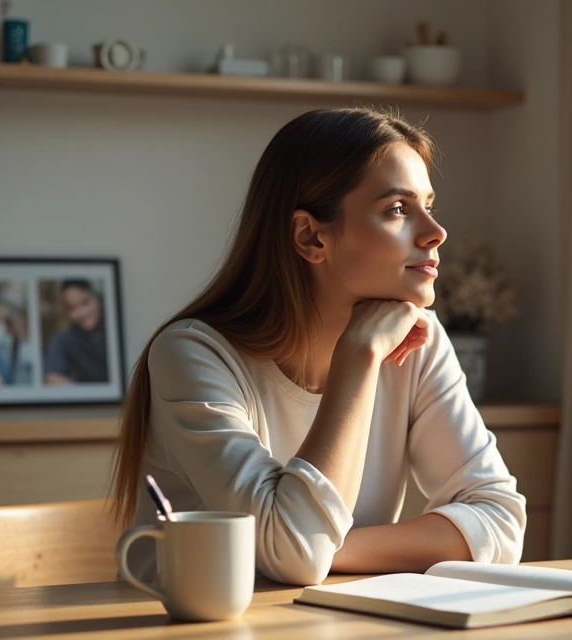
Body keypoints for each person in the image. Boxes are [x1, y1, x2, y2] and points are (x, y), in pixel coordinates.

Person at [110, 107, 527, 587]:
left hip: (332, 617)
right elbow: (297, 553)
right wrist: (359, 355)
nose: (436, 232)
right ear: (310, 236)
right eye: (397, 209)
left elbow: (501, 521)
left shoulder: (418, 342)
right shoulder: (193, 356)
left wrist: (327, 548)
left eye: (429, 205)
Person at [43, 279, 109, 385]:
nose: (82, 313)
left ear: (97, 298)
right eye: (72, 308)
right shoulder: (64, 339)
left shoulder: (115, 329)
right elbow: (53, 378)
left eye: (85, 302)